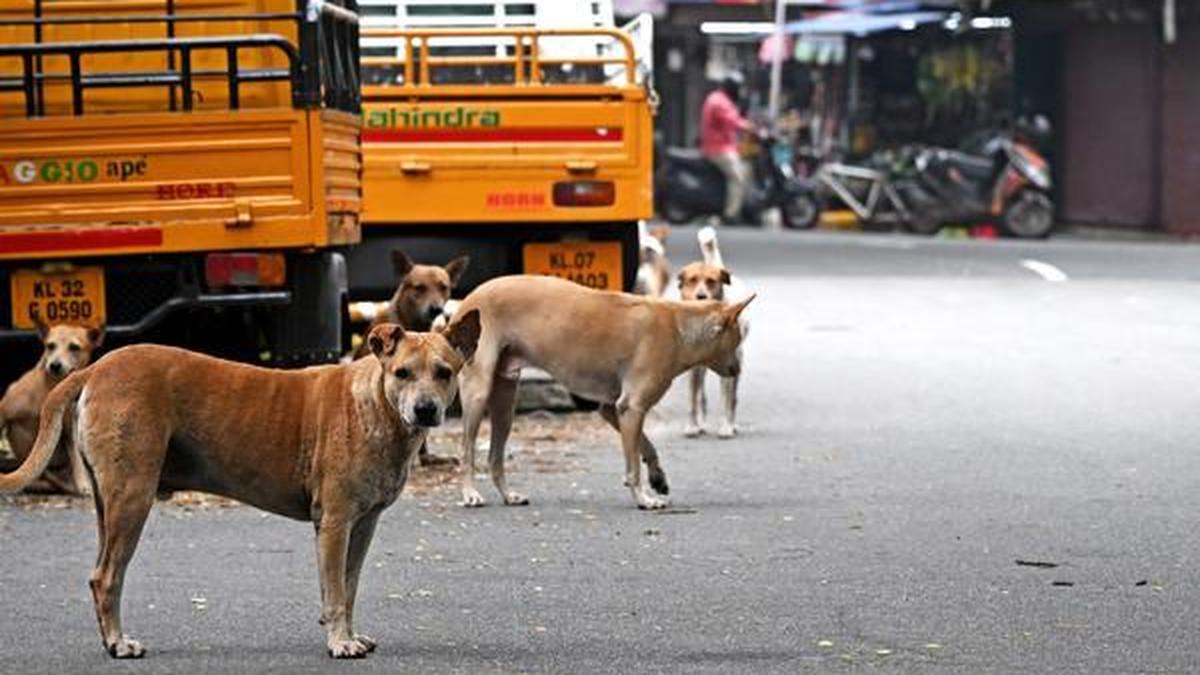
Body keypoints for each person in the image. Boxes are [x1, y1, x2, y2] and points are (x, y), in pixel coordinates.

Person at [700, 71, 754, 224]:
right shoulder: (719, 102)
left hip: (725, 146)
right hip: (718, 149)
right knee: (738, 176)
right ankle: (731, 214)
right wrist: (751, 127)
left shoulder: (722, 99)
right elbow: (733, 121)